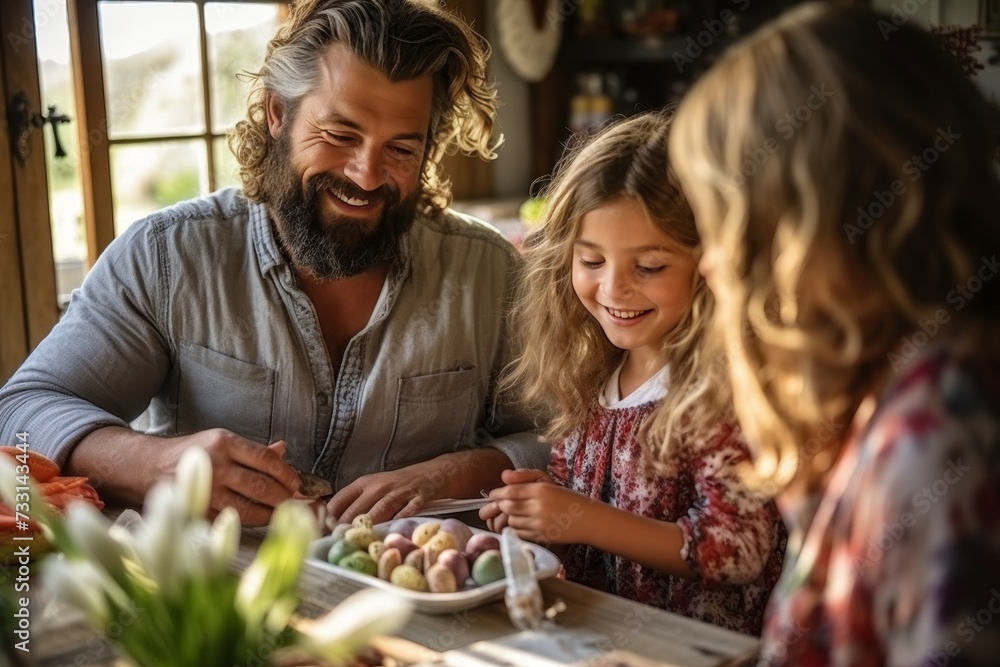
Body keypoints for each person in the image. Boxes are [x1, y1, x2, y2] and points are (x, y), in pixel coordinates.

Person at [0, 0, 548, 526]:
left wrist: (462, 472)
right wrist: (157, 465)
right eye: (339, 135)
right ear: (277, 113)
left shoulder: (490, 273)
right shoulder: (168, 257)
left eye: (402, 149)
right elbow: (20, 414)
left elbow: (565, 441)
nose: (366, 174)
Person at [668, 3, 1000, 664]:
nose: (710, 262)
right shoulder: (902, 381)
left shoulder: (938, 438)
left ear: (804, 229)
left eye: (723, 225)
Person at [479, 112, 787, 636]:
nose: (614, 289)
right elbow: (600, 532)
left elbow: (737, 549)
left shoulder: (722, 393)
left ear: (710, 265)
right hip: (608, 639)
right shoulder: (593, 377)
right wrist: (545, 515)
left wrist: (580, 517)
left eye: (649, 267)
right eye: (592, 261)